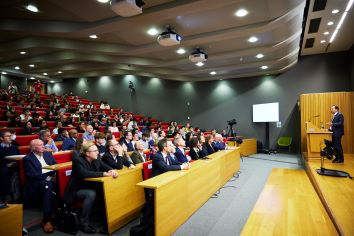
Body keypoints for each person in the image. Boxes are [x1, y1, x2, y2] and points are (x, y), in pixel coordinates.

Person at [64, 142, 118, 234]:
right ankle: (83, 223)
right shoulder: (78, 160)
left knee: (106, 189)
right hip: (76, 190)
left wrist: (112, 170)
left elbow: (106, 167)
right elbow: (85, 174)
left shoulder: (96, 159)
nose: (98, 152)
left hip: (91, 186)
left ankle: (109, 219)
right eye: (95, 151)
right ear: (87, 153)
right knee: (90, 194)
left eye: (97, 150)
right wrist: (103, 174)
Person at [23, 139, 56, 233]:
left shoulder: (48, 154)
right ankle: (47, 219)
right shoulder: (28, 158)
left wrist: (56, 175)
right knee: (47, 186)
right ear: (33, 148)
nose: (44, 146)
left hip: (51, 177)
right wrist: (49, 178)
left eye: (43, 144)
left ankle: (66, 209)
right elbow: (32, 175)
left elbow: (55, 166)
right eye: (40, 145)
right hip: (38, 182)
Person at [0, 130, 20, 202]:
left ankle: (19, 196)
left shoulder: (15, 147)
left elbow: (19, 158)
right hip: (3, 168)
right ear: (1, 138)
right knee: (4, 170)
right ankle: (6, 194)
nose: (10, 138)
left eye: (11, 136)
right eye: (7, 136)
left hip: (15, 167)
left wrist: (17, 163)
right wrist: (7, 165)